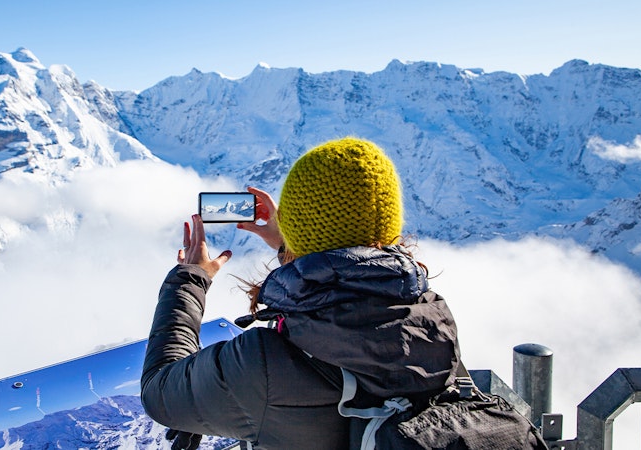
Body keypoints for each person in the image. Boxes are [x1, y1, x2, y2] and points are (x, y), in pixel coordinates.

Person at [141, 137, 461, 449]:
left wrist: (189, 280)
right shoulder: (433, 324)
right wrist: (291, 246)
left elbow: (159, 392)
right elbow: (347, 282)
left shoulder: (262, 365)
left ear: (298, 230)